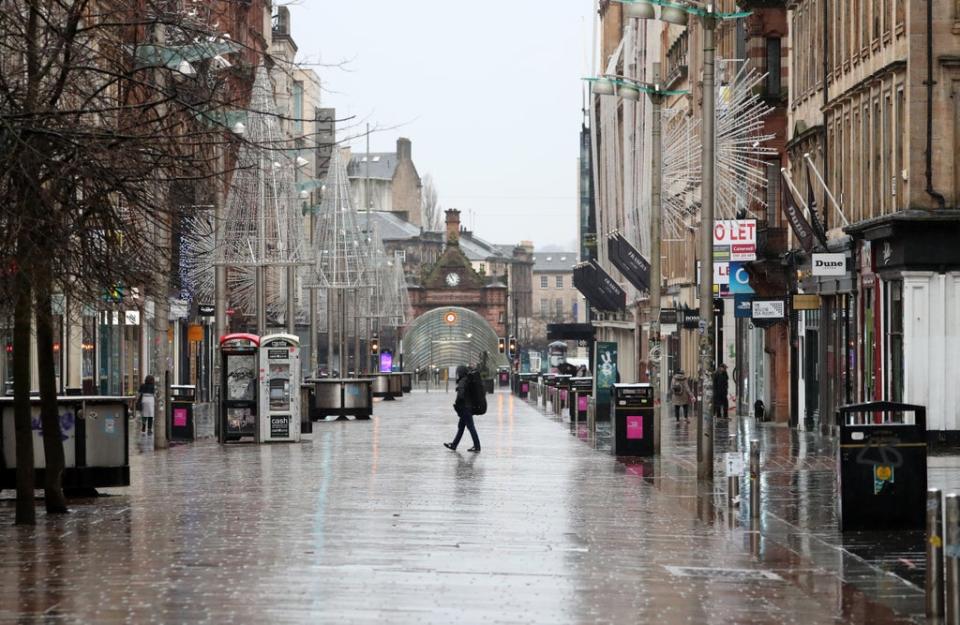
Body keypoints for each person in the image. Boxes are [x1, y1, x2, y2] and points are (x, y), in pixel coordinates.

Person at [444, 365, 481, 453]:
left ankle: (477, 446)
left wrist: (457, 403)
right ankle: (454, 445)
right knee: (461, 427)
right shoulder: (468, 380)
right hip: (468, 407)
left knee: (471, 427)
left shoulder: (462, 381)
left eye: (458, 372)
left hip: (465, 408)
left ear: (460, 373)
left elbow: (461, 395)